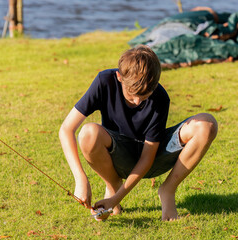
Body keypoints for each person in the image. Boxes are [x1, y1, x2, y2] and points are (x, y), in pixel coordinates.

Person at [59, 45, 218, 221]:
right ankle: (113, 185)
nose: (137, 101)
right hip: (118, 154)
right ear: (119, 77)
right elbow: (66, 129)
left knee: (206, 124)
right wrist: (80, 178)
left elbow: (146, 158)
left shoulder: (160, 97)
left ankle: (167, 191)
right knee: (88, 132)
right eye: (131, 94)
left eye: (144, 96)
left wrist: (115, 200)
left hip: (152, 156)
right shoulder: (104, 82)